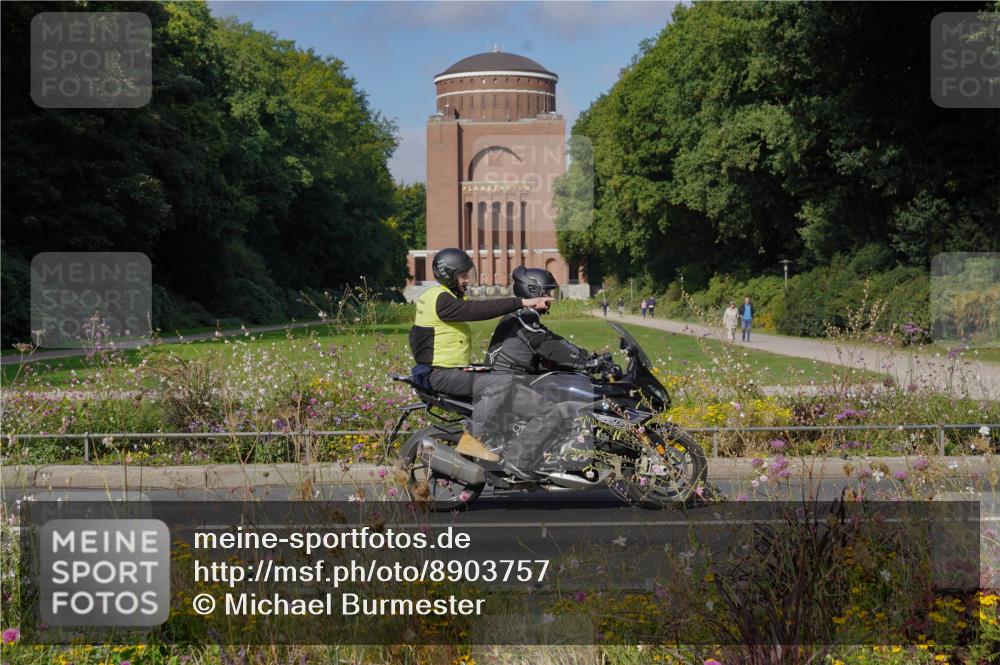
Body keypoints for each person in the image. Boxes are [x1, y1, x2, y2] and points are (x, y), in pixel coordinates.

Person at [408, 248, 552, 460]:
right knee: (500, 382)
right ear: (448, 275)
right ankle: (474, 439)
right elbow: (476, 310)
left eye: (468, 274)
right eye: (463, 275)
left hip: (443, 370)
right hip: (440, 375)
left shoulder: (437, 296)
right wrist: (522, 302)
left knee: (500, 378)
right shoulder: (441, 300)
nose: (467, 280)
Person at [477, 266, 598, 478]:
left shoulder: (523, 317)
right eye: (547, 292)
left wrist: (585, 357)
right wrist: (584, 360)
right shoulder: (524, 318)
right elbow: (550, 344)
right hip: (505, 383)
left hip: (509, 380)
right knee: (550, 413)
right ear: (533, 291)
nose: (551, 298)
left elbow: (550, 339)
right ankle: (517, 461)